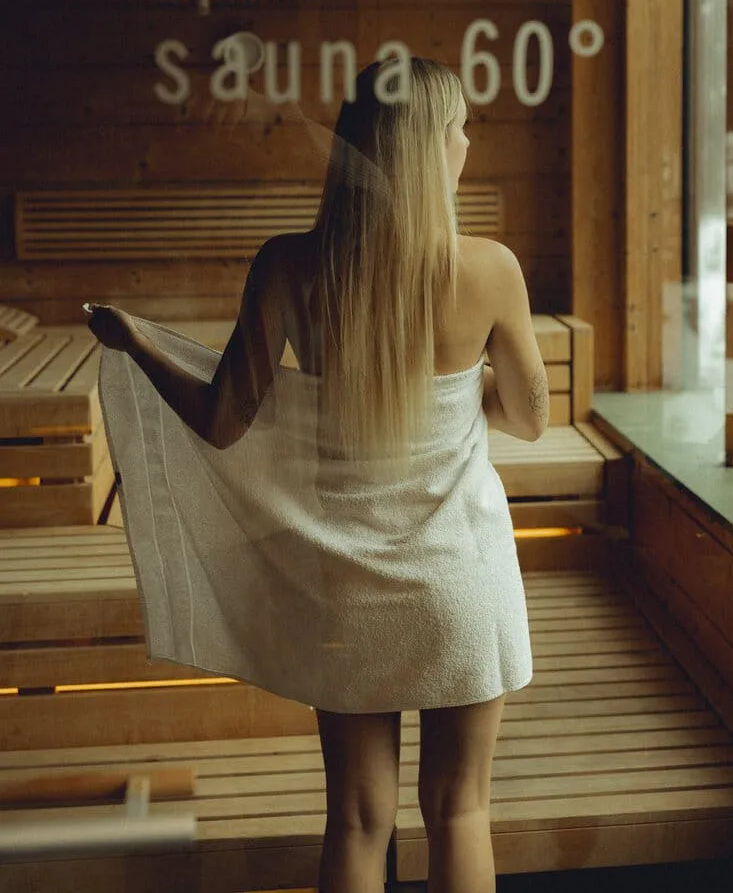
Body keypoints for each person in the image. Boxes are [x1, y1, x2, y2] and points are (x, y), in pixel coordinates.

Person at [86, 56, 550, 893]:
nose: (469, 141)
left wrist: (139, 343)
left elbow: (223, 422)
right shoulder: (490, 270)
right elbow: (530, 417)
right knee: (460, 812)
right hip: (460, 580)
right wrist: (471, 383)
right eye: (460, 127)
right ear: (430, 149)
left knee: (358, 821)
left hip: (347, 586)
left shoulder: (289, 267)